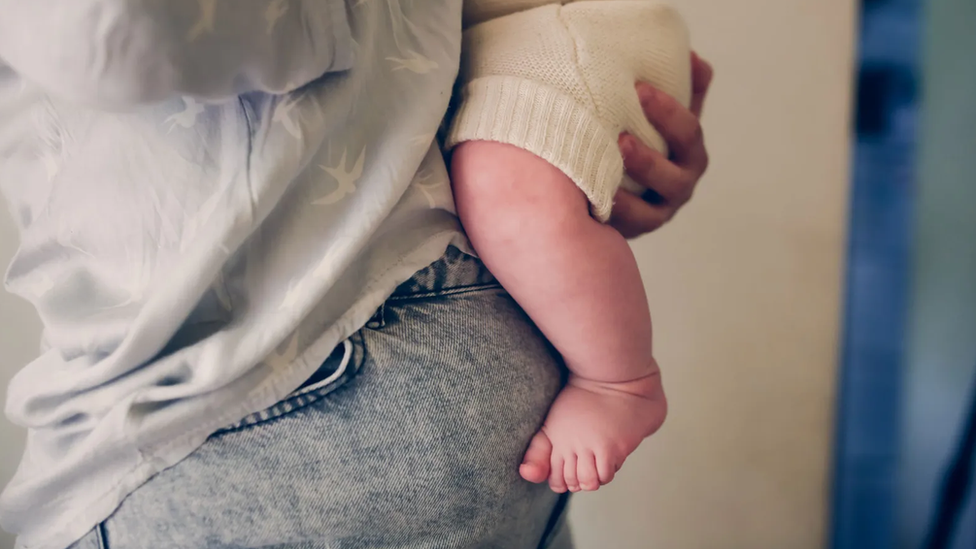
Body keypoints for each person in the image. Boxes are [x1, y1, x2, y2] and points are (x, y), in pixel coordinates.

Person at [0, 1, 711, 548]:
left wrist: (589, 139)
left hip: (267, 404)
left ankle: (622, 380)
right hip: (398, 377)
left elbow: (107, 30)